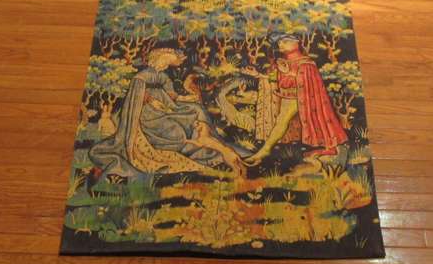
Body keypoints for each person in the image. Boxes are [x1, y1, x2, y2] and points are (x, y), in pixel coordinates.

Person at [89, 48, 244, 178]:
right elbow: (136, 96)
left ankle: (202, 144)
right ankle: (184, 147)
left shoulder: (163, 77)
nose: (166, 66)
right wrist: (151, 101)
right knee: (177, 133)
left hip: (167, 108)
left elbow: (172, 96)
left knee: (194, 110)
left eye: (168, 64)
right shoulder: (141, 77)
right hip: (147, 114)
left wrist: (186, 98)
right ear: (159, 60)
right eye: (166, 63)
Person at [243, 34, 348, 165]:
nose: (280, 44)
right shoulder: (283, 62)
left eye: (285, 41)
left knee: (297, 119)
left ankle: (264, 151)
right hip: (287, 96)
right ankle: (265, 151)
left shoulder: (306, 63)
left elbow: (304, 82)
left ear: (297, 43)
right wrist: (258, 75)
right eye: (279, 42)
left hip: (302, 97)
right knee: (282, 121)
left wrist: (287, 72)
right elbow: (276, 79)